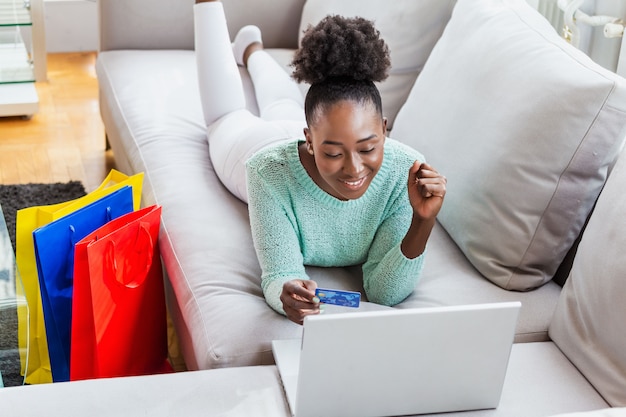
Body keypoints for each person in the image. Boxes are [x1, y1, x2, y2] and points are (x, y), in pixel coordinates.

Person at [194, 0, 447, 325]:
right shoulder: (265, 172)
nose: (354, 169)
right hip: (259, 147)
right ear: (311, 143)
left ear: (384, 131)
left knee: (284, 102)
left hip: (314, 130)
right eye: (334, 154)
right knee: (225, 116)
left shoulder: (404, 172)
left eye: (368, 148)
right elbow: (280, 273)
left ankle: (251, 50)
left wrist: (423, 222)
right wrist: (285, 292)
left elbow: (385, 293)